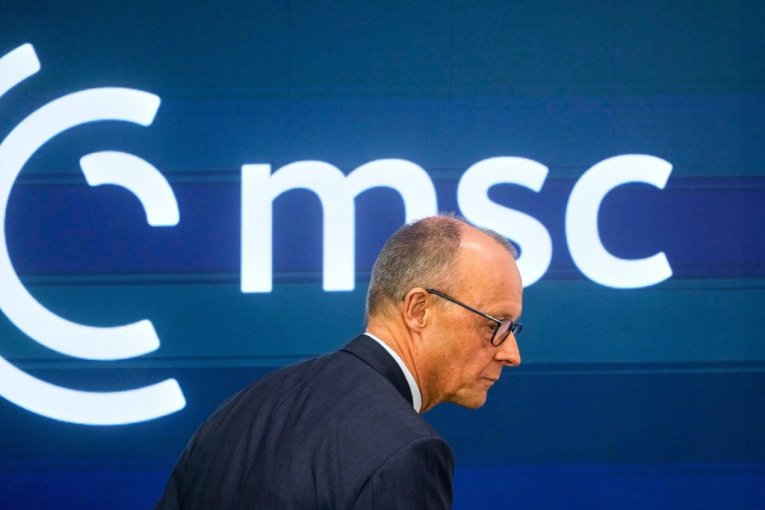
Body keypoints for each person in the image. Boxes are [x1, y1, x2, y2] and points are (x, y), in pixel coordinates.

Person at [156, 214, 523, 509]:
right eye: (495, 325)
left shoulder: (236, 413)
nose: (511, 354)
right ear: (418, 310)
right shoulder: (407, 451)